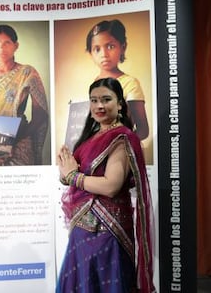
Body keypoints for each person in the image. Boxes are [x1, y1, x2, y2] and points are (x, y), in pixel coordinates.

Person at [56, 78, 156, 292]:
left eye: (106, 99)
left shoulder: (122, 138)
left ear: (120, 104)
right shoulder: (90, 137)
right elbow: (74, 176)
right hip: (82, 229)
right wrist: (66, 171)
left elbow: (111, 185)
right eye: (94, 100)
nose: (99, 106)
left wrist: (72, 176)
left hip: (107, 231)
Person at [0, 24, 48, 165]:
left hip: (19, 140)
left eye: (7, 43)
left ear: (16, 46)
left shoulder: (27, 72)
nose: (1, 49)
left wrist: (11, 140)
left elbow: (40, 116)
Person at [86, 19, 149, 140]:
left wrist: (121, 144)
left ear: (123, 47)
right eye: (97, 49)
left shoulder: (130, 84)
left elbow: (143, 130)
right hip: (97, 151)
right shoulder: (94, 83)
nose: (104, 54)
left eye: (110, 46)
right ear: (91, 54)